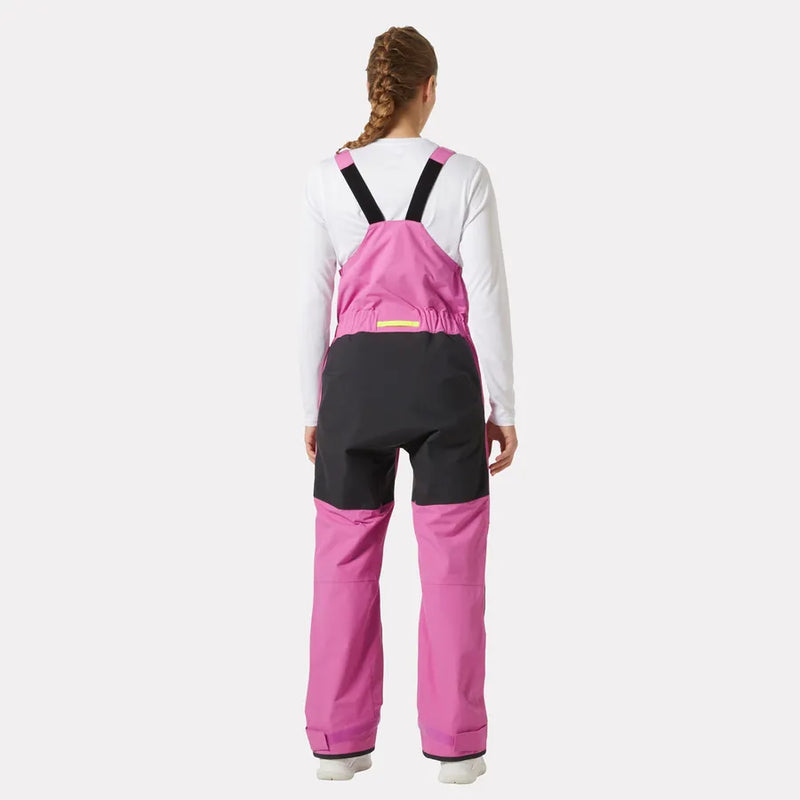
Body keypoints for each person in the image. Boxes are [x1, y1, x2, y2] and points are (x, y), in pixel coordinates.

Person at [297, 25, 518, 785]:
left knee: (342, 564)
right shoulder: (467, 177)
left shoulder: (328, 179)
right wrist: (503, 404)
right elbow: (488, 297)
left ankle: (338, 745)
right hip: (442, 383)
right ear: (429, 89)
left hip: (354, 385)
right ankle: (458, 750)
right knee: (454, 568)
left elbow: (312, 302)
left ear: (375, 89)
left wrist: (312, 407)